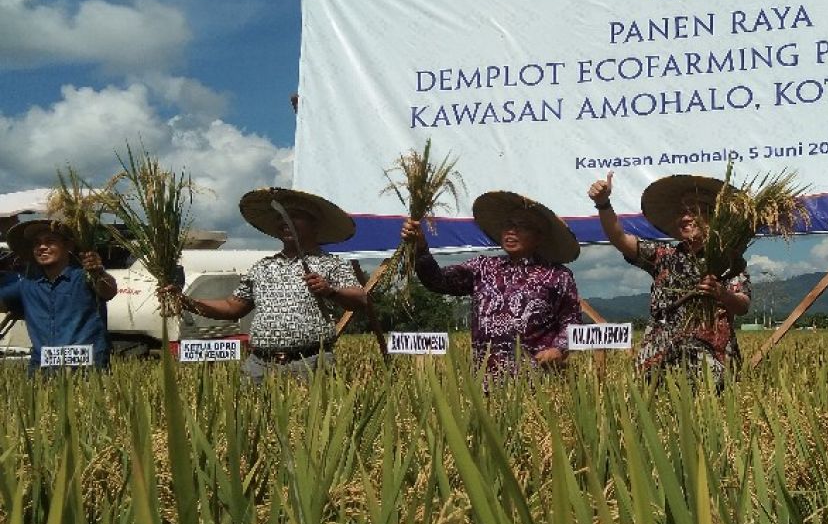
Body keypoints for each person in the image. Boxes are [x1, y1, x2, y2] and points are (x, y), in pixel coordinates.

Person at [166, 187, 368, 383]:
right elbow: (232, 307)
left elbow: (359, 299)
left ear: (314, 225)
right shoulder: (263, 267)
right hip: (260, 366)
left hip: (310, 363)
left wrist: (330, 291)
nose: (285, 221)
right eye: (281, 217)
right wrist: (184, 301)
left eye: (295, 216)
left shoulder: (331, 264)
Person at [587, 171, 750, 385]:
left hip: (711, 359)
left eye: (693, 211)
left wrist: (723, 294)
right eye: (681, 212)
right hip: (659, 356)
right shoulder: (664, 256)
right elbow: (619, 239)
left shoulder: (727, 261)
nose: (685, 217)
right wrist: (603, 204)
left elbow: (743, 305)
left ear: (712, 217)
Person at [402, 191, 581, 378]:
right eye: (508, 225)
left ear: (538, 237)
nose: (512, 230)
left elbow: (572, 322)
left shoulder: (557, 276)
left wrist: (559, 349)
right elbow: (438, 281)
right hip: (485, 383)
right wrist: (420, 248)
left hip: (536, 382)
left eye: (522, 226)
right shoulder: (483, 267)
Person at [0, 219, 118, 372]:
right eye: (37, 243)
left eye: (50, 241)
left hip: (86, 370)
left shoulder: (85, 277)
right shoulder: (26, 285)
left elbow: (109, 291)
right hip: (42, 371)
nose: (42, 247)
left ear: (68, 246)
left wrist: (99, 273)